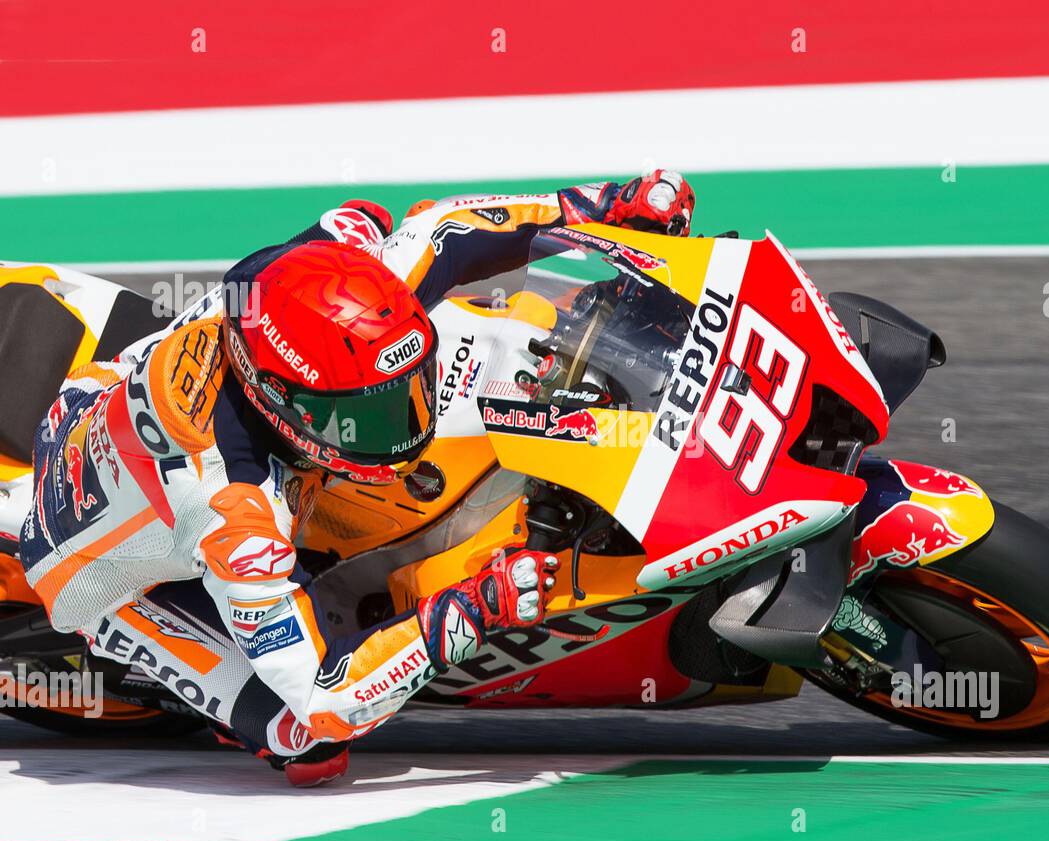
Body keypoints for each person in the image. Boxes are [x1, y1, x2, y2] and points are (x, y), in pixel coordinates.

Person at [17, 171, 696, 786]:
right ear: (278, 399)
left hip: (109, 387)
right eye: (362, 418)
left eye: (404, 394)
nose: (402, 426)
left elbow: (445, 231)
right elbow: (323, 695)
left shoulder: (323, 289)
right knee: (308, 742)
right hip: (104, 566)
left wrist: (596, 208)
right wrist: (466, 614)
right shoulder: (233, 515)